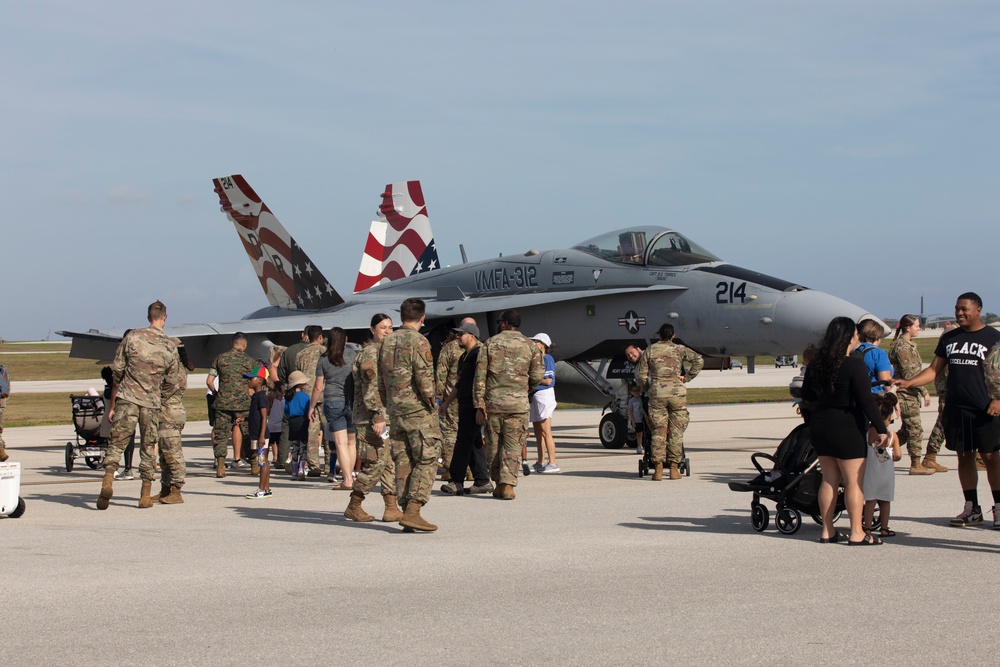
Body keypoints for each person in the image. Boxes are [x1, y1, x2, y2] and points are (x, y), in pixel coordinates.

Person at [896, 292, 1000, 527]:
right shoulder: (950, 338)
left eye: (965, 309)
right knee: (964, 457)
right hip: (957, 407)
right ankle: (971, 508)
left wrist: (998, 399)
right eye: (957, 309)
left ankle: (999, 507)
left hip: (986, 409)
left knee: (992, 458)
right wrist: (909, 382)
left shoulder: (994, 338)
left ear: (978, 310)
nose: (960, 313)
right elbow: (934, 370)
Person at [803, 316, 889, 545]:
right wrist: (882, 428)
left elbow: (808, 397)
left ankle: (827, 530)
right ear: (849, 337)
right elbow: (866, 401)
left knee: (829, 480)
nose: (857, 337)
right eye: (855, 334)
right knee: (853, 482)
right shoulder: (853, 365)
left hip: (821, 425)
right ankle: (857, 532)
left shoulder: (816, 365)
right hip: (847, 426)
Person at [97, 301, 180, 510]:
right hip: (151, 404)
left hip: (127, 399)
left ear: (148, 316)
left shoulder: (132, 337)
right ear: (165, 317)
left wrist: (121, 384)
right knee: (147, 448)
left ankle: (108, 481)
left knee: (117, 444)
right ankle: (144, 495)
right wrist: (159, 396)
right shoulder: (170, 345)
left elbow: (117, 368)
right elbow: (172, 381)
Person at [378, 298, 443, 531]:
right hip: (417, 410)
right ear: (422, 317)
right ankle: (414, 510)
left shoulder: (387, 341)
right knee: (427, 458)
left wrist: (388, 404)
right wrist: (432, 403)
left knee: (403, 461)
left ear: (401, 317)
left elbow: (380, 379)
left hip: (395, 411)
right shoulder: (419, 341)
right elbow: (424, 379)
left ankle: (406, 512)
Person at [473, 309, 544, 500]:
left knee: (494, 446)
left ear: (504, 323)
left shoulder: (490, 343)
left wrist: (480, 403)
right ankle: (507, 485)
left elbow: (480, 376)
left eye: (499, 321)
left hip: (494, 403)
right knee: (513, 445)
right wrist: (524, 389)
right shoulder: (530, 346)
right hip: (518, 405)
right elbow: (538, 375)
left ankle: (498, 482)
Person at [344, 313, 402, 523]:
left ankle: (391, 506)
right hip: (370, 419)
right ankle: (355, 504)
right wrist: (378, 416)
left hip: (384, 418)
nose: (387, 331)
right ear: (372, 330)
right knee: (376, 462)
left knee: (388, 462)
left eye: (390, 327)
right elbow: (371, 388)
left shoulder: (384, 353)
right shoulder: (370, 354)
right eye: (382, 327)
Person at [636, 323, 704, 481]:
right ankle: (674, 468)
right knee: (676, 431)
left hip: (657, 394)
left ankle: (658, 469)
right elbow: (699, 360)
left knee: (658, 432)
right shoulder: (679, 349)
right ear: (673, 335)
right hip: (676, 395)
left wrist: (647, 387)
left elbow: (641, 375)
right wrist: (686, 378)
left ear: (659, 335)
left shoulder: (650, 350)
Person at [440, 321, 493, 495]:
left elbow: (482, 382)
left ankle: (456, 480)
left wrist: (480, 407)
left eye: (461, 334)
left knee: (463, 442)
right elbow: (459, 383)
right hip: (463, 403)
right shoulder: (465, 356)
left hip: (473, 405)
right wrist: (447, 402)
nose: (457, 337)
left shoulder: (479, 354)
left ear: (472, 336)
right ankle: (482, 480)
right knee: (475, 442)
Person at [889, 314, 941, 474]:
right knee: (915, 430)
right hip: (905, 393)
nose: (919, 328)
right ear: (908, 328)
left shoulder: (907, 345)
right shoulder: (903, 347)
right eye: (917, 326)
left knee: (905, 431)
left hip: (910, 392)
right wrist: (924, 390)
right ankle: (915, 464)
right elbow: (909, 374)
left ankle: (881, 454)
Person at [310, 327, 358, 490]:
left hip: (332, 401)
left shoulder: (324, 359)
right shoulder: (353, 355)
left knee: (340, 443)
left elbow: (318, 387)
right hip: (351, 401)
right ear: (345, 340)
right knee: (351, 443)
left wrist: (311, 407)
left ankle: (347, 481)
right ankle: (350, 476)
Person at [207, 332, 255, 478]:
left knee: (221, 435)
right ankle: (254, 465)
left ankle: (221, 466)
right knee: (248, 434)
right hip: (244, 404)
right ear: (244, 345)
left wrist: (217, 393)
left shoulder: (220, 359)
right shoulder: (250, 361)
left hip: (223, 403)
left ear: (232, 344)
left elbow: (209, 381)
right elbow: (257, 381)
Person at [154, 340, 193, 504]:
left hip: (170, 413)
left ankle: (176, 490)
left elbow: (164, 389)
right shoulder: (174, 367)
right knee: (164, 454)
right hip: (165, 413)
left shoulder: (175, 370)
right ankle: (165, 489)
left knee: (172, 453)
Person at [435, 321, 473, 480]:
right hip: (470, 396)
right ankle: (471, 470)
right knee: (469, 433)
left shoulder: (449, 348)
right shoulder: (480, 348)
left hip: (451, 396)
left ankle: (452, 469)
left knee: (450, 433)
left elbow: (441, 373)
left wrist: (438, 396)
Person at [863, 392, 903, 538]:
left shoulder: (869, 433)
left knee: (870, 501)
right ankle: (884, 528)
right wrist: (889, 454)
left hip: (871, 473)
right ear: (890, 417)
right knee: (885, 502)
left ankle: (867, 528)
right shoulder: (893, 436)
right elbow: (898, 456)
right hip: (886, 474)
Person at [276, 328, 311, 472]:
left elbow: (280, 373)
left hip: (291, 416)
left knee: (290, 438)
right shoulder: (305, 396)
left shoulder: (289, 351)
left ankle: (284, 460)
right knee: (304, 444)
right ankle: (305, 465)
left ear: (303, 335)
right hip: (303, 419)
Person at [294, 325, 326, 477]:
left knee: (312, 431)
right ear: (320, 337)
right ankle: (329, 463)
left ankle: (314, 464)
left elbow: (297, 376)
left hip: (308, 396)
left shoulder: (301, 354)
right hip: (325, 394)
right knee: (329, 431)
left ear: (307, 336)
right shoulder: (325, 352)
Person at [529, 333, 559, 474]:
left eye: (535, 341)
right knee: (538, 432)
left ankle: (553, 462)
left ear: (542, 344)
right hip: (535, 395)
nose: (533, 344)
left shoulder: (547, 359)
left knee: (546, 431)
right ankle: (540, 462)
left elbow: (548, 380)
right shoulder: (536, 360)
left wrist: (532, 378)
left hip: (544, 395)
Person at [100, 365, 135, 480]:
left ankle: (112, 469)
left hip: (114, 418)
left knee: (113, 444)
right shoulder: (125, 387)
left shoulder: (110, 390)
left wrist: (112, 408)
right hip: (129, 415)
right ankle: (127, 467)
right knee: (129, 441)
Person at [244, 365, 272, 499]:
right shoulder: (256, 396)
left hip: (261, 435)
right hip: (257, 434)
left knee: (262, 461)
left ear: (260, 380)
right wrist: (244, 418)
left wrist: (261, 436)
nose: (248, 381)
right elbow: (256, 415)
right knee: (264, 461)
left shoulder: (261, 397)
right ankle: (266, 488)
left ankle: (261, 489)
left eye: (251, 378)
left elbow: (264, 416)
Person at [284, 371, 311, 481]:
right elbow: (308, 410)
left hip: (292, 421)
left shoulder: (288, 397)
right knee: (303, 446)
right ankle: (301, 468)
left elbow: (286, 410)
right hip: (303, 420)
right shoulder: (305, 397)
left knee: (295, 446)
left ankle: (294, 471)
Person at [854, 319, 894, 393]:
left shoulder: (855, 351)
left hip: (857, 394)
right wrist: (895, 400)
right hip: (875, 395)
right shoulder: (879, 353)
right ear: (878, 337)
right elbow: (885, 381)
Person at [267, 381, 285, 466]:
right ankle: (274, 457)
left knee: (278, 443)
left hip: (279, 425)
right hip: (273, 424)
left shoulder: (284, 400)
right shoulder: (272, 400)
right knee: (272, 442)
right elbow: (268, 411)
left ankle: (277, 457)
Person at [627, 383, 644, 455]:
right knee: (639, 433)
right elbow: (630, 411)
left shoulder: (642, 399)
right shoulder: (631, 401)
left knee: (645, 433)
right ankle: (639, 445)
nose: (636, 392)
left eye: (637, 390)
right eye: (634, 391)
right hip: (637, 419)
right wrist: (632, 420)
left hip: (643, 419)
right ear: (631, 392)